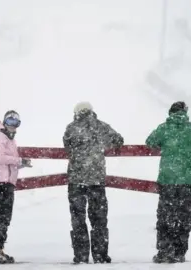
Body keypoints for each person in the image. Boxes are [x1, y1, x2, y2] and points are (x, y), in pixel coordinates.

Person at [145, 101, 191, 264]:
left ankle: (164, 251)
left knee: (165, 216)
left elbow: (149, 142)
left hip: (168, 180)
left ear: (170, 113)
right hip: (189, 181)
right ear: (185, 113)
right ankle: (179, 251)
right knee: (184, 216)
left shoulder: (163, 128)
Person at [62, 102, 124, 264]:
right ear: (91, 112)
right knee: (99, 218)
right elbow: (118, 139)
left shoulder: (71, 128)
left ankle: (81, 256)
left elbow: (66, 145)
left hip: (76, 180)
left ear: (76, 113)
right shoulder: (101, 126)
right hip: (96, 180)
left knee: (78, 218)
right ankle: (100, 255)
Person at [0, 110, 32, 264]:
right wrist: (18, 161)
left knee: (4, 217)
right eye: (10, 122)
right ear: (4, 122)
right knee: (2, 216)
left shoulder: (9, 139)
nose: (13, 126)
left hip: (6, 181)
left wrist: (21, 163)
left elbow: (9, 162)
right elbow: (0, 158)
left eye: (16, 123)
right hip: (0, 181)